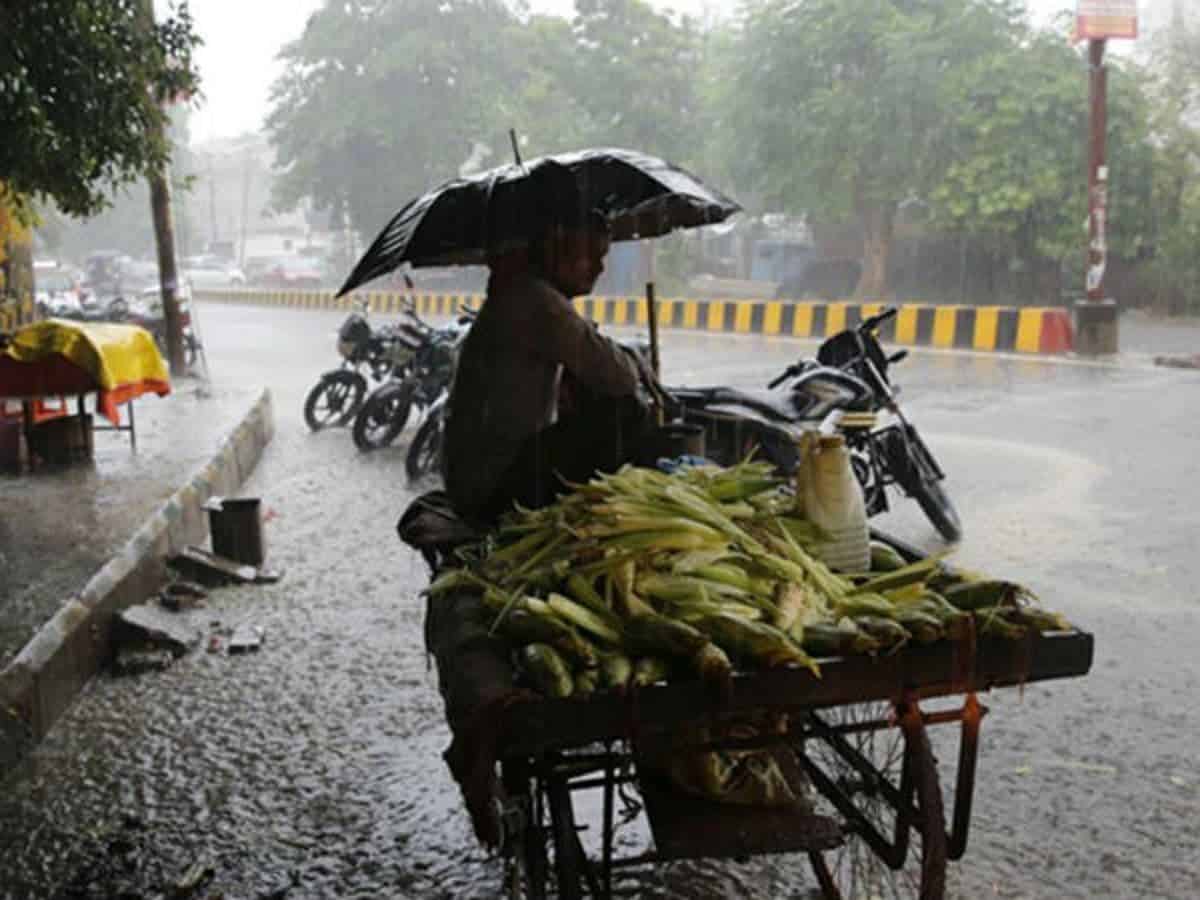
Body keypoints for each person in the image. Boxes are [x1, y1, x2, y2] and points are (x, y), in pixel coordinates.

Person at [443, 162, 649, 523]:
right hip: (490, 489)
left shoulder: (521, 290)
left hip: (479, 477)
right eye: (592, 256)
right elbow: (619, 376)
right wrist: (637, 363)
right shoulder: (534, 299)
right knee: (626, 413)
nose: (599, 270)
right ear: (557, 243)